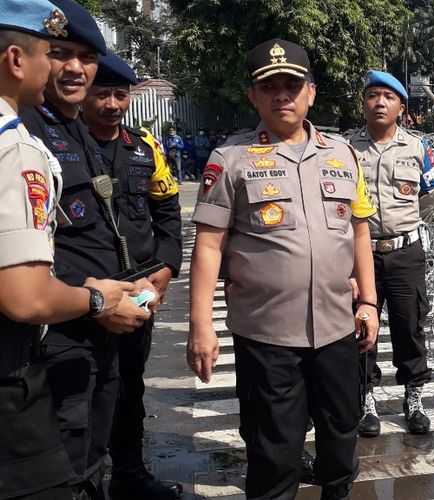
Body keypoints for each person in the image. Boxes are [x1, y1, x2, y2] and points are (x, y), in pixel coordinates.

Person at [188, 39, 379, 500]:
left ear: (310, 92)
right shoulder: (229, 160)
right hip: (266, 335)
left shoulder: (342, 155)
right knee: (274, 450)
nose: (282, 96)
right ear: (253, 96)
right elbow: (209, 244)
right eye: (269, 87)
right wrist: (201, 326)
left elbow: (358, 233)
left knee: (341, 437)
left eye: (291, 85)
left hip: (336, 328)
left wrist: (369, 302)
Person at [0, 3, 146, 498]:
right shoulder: (24, 133)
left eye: (86, 57)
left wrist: (136, 279)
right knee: (61, 461)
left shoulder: (77, 129)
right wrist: (99, 300)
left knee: (92, 452)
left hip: (98, 323)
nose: (72, 68)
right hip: (53, 336)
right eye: (58, 53)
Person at [80, 52, 184, 500]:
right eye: (101, 94)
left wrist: (166, 265)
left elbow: (168, 210)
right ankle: (85, 483)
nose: (111, 104)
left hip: (140, 290)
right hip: (83, 295)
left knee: (129, 385)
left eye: (120, 95)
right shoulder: (62, 144)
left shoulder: (146, 147)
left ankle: (129, 473)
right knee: (83, 392)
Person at [349, 70, 434, 438]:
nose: (380, 102)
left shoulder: (417, 149)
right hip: (361, 253)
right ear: (364, 103)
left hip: (406, 252)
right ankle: (365, 399)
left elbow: (430, 198)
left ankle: (413, 398)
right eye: (373, 95)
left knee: (410, 325)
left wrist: (405, 229)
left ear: (401, 107)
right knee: (360, 327)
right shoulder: (347, 149)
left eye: (388, 97)